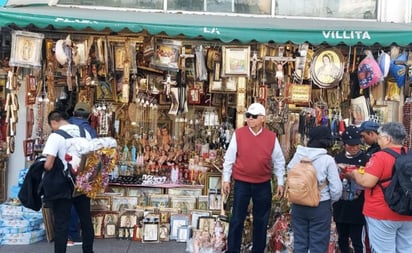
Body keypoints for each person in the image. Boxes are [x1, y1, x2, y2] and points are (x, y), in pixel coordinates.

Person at [222, 102, 285, 253]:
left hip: (263, 183)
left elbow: (279, 161)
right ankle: (233, 250)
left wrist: (281, 182)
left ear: (262, 118)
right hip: (242, 182)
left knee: (261, 221)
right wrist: (226, 179)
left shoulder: (271, 137)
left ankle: (258, 250)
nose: (250, 119)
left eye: (253, 116)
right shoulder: (239, 134)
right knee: (237, 219)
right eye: (248, 116)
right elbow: (229, 158)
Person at [349, 122, 412, 253]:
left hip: (382, 213)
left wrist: (354, 174)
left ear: (388, 139)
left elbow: (367, 182)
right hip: (408, 211)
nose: (379, 140)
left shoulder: (380, 157)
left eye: (381, 137)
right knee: (406, 249)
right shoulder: (409, 154)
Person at [42, 110, 95, 253]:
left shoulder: (56, 136)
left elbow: (49, 164)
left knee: (61, 223)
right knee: (85, 220)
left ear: (54, 122)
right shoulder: (86, 133)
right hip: (83, 183)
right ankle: (88, 251)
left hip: (63, 185)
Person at [287, 125, 342, 253]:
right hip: (320, 205)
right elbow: (337, 190)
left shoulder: (298, 156)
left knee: (300, 242)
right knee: (318, 244)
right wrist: (329, 201)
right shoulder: (327, 160)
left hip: (298, 204)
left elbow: (290, 172)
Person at [66, 102, 98, 246]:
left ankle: (67, 235)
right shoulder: (89, 131)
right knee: (81, 204)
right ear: (89, 116)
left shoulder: (63, 127)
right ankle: (75, 235)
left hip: (64, 170)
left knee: (66, 202)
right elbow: (94, 154)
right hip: (82, 171)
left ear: (73, 113)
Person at [333, 126, 369, 253]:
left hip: (358, 207)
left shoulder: (366, 159)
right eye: (350, 145)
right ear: (344, 144)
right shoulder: (337, 159)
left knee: (357, 240)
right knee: (342, 239)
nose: (354, 148)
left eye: (356, 145)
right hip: (340, 206)